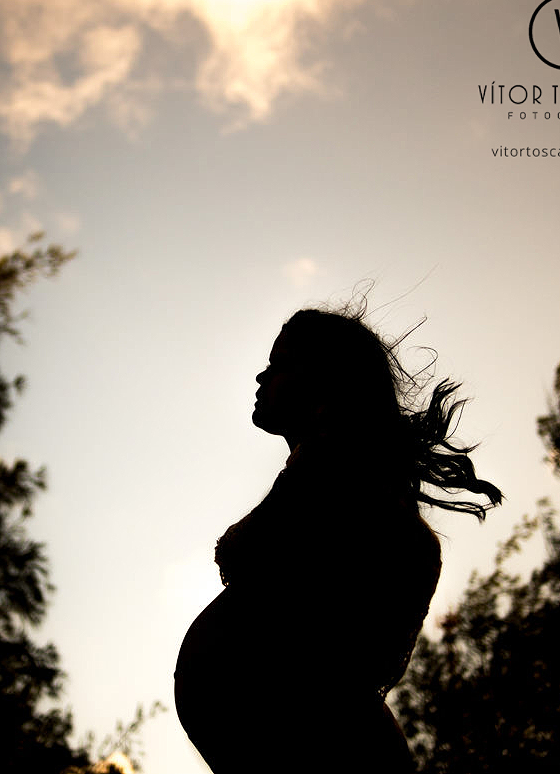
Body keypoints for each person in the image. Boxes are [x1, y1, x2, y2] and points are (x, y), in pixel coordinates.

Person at [174, 307, 503, 773]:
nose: (262, 375)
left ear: (327, 382)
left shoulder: (341, 478)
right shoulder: (330, 475)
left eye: (281, 363)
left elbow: (335, 657)